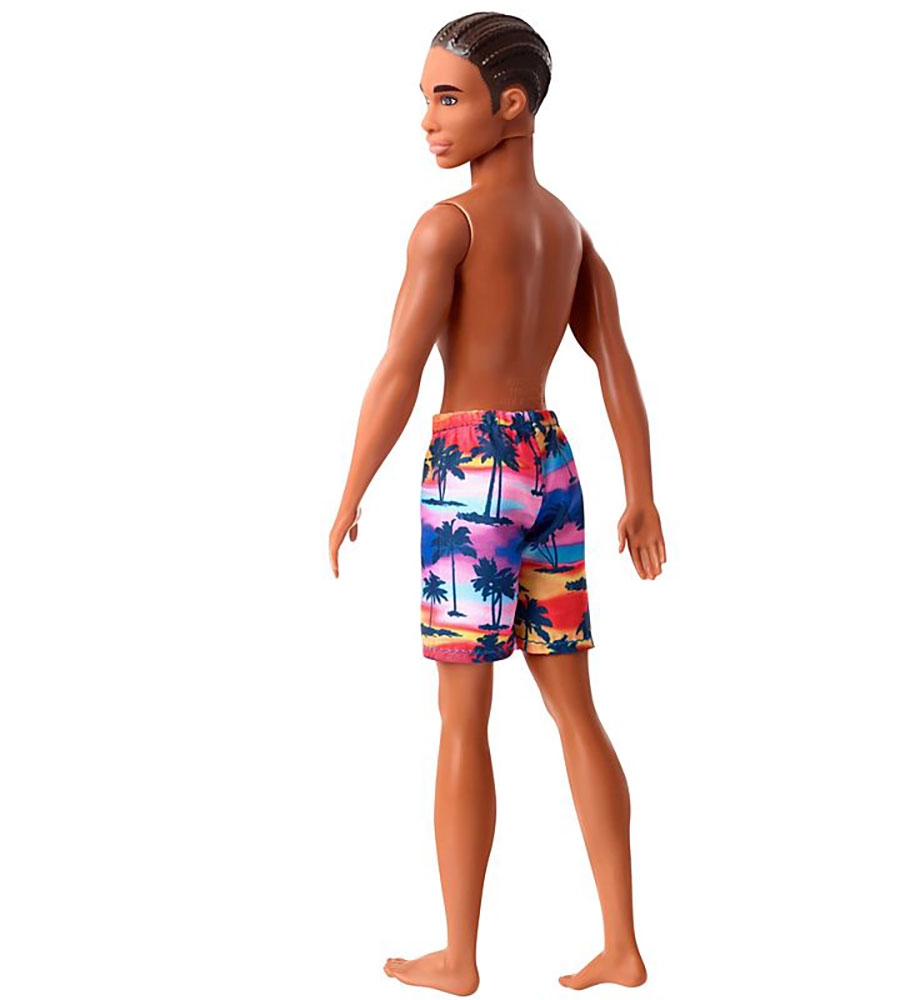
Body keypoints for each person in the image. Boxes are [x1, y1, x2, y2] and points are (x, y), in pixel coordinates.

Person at [329, 12, 666, 994]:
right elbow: (616, 366)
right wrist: (640, 494)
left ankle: (460, 956)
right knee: (575, 709)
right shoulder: (567, 230)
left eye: (448, 98)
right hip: (550, 460)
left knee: (461, 716)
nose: (427, 121)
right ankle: (622, 944)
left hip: (471, 468)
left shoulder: (450, 225)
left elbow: (399, 369)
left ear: (510, 105)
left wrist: (351, 487)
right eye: (425, 99)